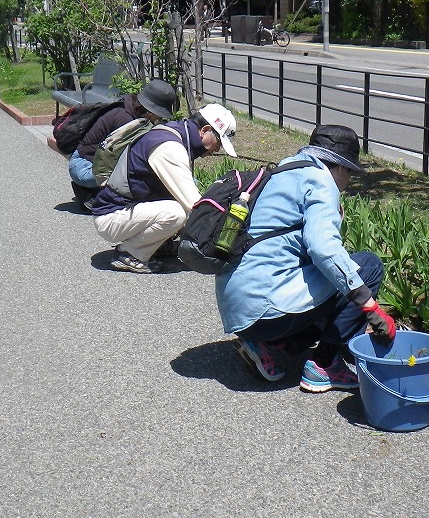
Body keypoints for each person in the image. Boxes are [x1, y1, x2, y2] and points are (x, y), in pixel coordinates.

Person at [214, 124, 401, 392]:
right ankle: (324, 365)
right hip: (266, 308)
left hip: (237, 306)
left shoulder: (282, 171)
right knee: (367, 266)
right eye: (350, 172)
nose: (348, 181)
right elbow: (324, 249)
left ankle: (273, 345)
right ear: (340, 167)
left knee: (327, 274)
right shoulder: (321, 181)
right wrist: (368, 304)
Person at [89, 103, 238, 274]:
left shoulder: (175, 132)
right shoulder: (169, 148)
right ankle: (130, 253)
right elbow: (195, 205)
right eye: (219, 142)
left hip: (126, 210)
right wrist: (226, 232)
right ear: (204, 131)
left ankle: (156, 243)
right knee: (177, 213)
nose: (217, 149)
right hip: (111, 216)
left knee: (179, 205)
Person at [60, 80, 179, 208]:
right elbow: (127, 159)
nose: (159, 119)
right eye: (159, 116)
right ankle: (92, 193)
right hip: (83, 166)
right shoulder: (126, 120)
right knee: (131, 172)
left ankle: (93, 191)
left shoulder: (132, 111)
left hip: (92, 164)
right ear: (150, 111)